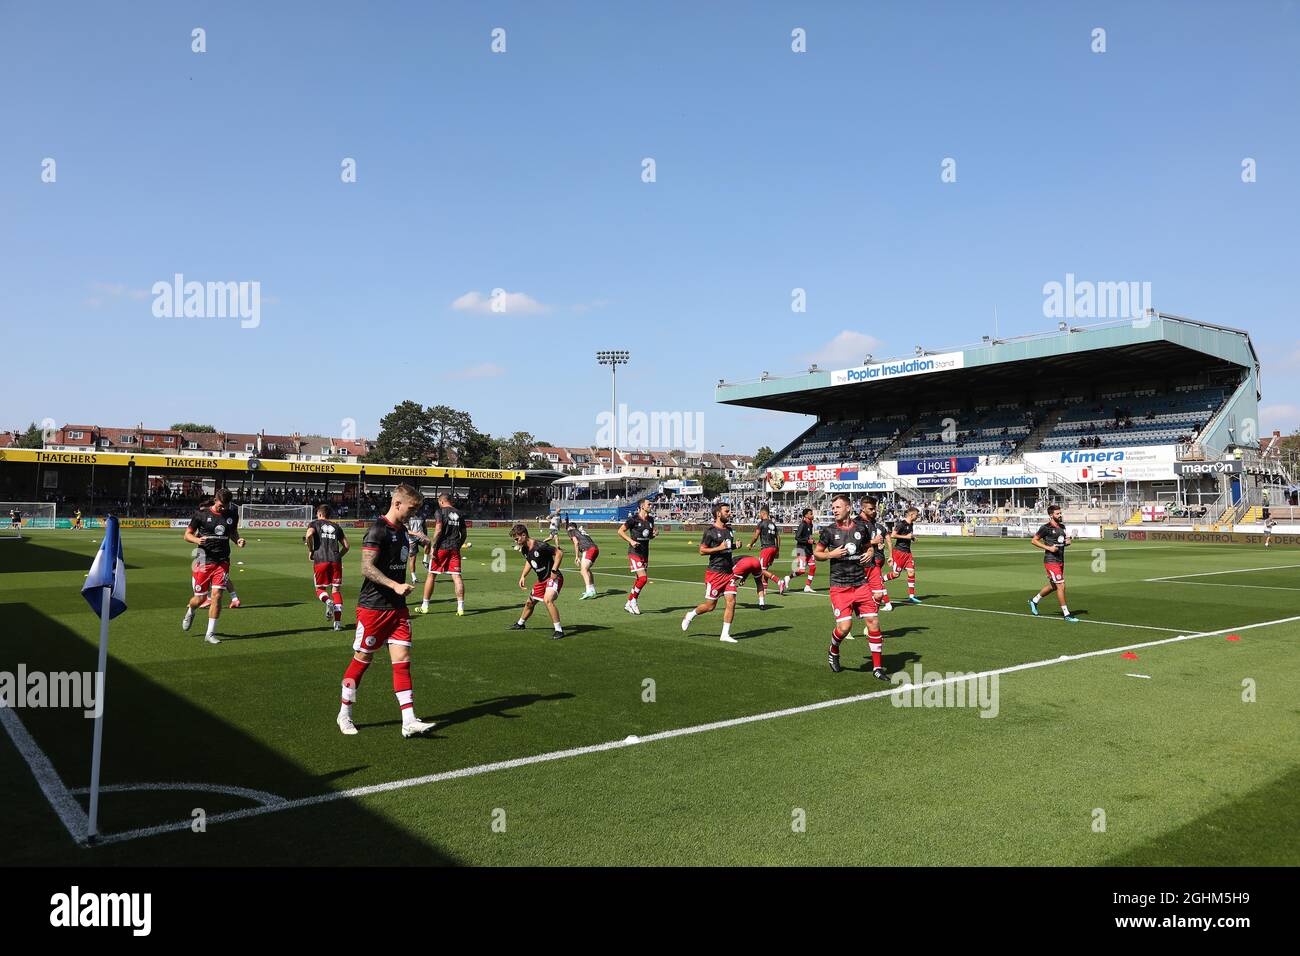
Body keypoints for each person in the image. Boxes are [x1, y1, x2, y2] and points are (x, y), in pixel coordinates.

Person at [336, 483, 436, 737]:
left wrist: (422, 539)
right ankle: (344, 713)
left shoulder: (402, 530)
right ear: (397, 504)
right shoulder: (377, 530)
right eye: (411, 509)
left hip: (398, 610)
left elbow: (402, 541)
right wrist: (395, 585)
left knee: (402, 662)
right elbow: (366, 568)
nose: (413, 514)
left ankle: (408, 720)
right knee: (362, 661)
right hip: (373, 609)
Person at [816, 494, 888, 680]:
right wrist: (831, 554)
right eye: (833, 508)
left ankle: (877, 668)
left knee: (873, 622)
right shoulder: (829, 531)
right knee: (845, 627)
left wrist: (871, 551)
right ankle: (833, 649)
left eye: (838, 507)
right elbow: (817, 553)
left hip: (860, 583)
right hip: (840, 586)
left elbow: (867, 546)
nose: (834, 510)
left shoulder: (861, 528)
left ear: (848, 508)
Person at [181, 488, 246, 645]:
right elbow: (187, 534)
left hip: (222, 560)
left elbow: (233, 532)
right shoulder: (201, 514)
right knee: (200, 598)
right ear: (215, 499)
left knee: (217, 595)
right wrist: (196, 541)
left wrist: (238, 540)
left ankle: (210, 633)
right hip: (203, 560)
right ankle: (191, 611)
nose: (223, 508)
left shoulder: (232, 515)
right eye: (221, 505)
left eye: (226, 505)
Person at [681, 503, 739, 642]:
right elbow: (702, 550)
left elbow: (727, 549)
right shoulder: (710, 531)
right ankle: (691, 614)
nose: (729, 513)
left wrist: (735, 546)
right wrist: (719, 547)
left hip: (728, 572)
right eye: (727, 511)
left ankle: (725, 634)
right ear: (718, 514)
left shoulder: (730, 530)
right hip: (715, 573)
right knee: (710, 606)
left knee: (731, 601)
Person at [508, 523, 565, 638]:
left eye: (517, 538)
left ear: (524, 535)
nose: (516, 541)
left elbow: (559, 553)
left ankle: (559, 631)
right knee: (530, 602)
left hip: (553, 577)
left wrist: (554, 571)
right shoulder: (524, 549)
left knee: (547, 600)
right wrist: (523, 575)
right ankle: (520, 624)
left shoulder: (540, 545)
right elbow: (529, 561)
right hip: (541, 580)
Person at [419, 494, 468, 616]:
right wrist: (458, 545)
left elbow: (439, 530)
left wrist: (433, 548)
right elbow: (464, 533)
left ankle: (425, 606)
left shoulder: (440, 512)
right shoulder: (459, 513)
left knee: (431, 575)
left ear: (441, 501)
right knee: (457, 577)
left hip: (442, 548)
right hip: (455, 549)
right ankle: (460, 608)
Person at [1029, 504, 1077, 622]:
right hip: (1051, 560)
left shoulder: (1062, 526)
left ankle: (1034, 601)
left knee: (1054, 586)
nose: (1060, 515)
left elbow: (1060, 542)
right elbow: (1034, 541)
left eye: (1060, 513)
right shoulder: (1046, 528)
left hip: (1060, 560)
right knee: (1061, 585)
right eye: (1057, 513)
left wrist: (1067, 542)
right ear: (1051, 515)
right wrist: (1049, 548)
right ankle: (1066, 614)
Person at [305, 504, 349, 630]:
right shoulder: (336, 526)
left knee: (319, 589)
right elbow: (346, 546)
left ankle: (327, 601)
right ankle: (337, 624)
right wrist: (338, 556)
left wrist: (311, 550)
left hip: (321, 559)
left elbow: (308, 535)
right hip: (336, 561)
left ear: (319, 514)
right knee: (336, 591)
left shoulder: (314, 523)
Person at [618, 499, 657, 615]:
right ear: (642, 506)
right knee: (643, 578)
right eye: (648, 504)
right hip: (634, 552)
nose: (651, 506)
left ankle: (629, 602)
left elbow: (648, 536)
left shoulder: (651, 520)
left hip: (645, 553)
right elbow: (620, 531)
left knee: (639, 579)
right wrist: (631, 541)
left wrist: (654, 535)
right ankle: (633, 601)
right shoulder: (633, 519)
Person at [885, 506, 923, 604]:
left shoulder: (911, 524)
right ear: (911, 515)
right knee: (896, 575)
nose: (917, 516)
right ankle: (880, 580)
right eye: (916, 515)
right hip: (899, 553)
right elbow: (892, 535)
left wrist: (912, 538)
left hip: (907, 553)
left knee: (911, 572)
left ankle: (911, 596)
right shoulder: (901, 524)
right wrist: (906, 537)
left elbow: (907, 536)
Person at [782, 508, 818, 593]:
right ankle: (788, 577)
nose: (812, 515)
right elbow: (797, 537)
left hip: (809, 550)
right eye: (811, 513)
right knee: (801, 571)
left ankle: (807, 586)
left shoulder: (810, 524)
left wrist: (812, 541)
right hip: (801, 550)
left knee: (813, 567)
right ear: (806, 515)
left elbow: (808, 536)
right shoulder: (803, 525)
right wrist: (807, 540)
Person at [747, 505, 781, 585]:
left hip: (766, 548)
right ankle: (764, 589)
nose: (759, 515)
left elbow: (756, 536)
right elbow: (778, 537)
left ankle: (779, 581)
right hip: (773, 548)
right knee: (766, 569)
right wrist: (777, 549)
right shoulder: (772, 523)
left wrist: (751, 544)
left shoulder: (761, 523)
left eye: (759, 514)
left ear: (763, 513)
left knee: (761, 570)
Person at [567, 524, 600, 599]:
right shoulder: (581, 531)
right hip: (595, 549)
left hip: (588, 549)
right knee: (586, 569)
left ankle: (589, 590)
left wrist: (577, 556)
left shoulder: (571, 531)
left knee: (583, 570)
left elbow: (576, 543)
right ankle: (592, 589)